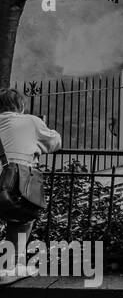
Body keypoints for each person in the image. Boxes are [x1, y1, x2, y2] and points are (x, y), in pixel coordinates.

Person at [0, 87, 62, 257]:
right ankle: (8, 266)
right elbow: (54, 142)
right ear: (20, 106)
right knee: (22, 218)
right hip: (14, 180)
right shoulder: (30, 121)